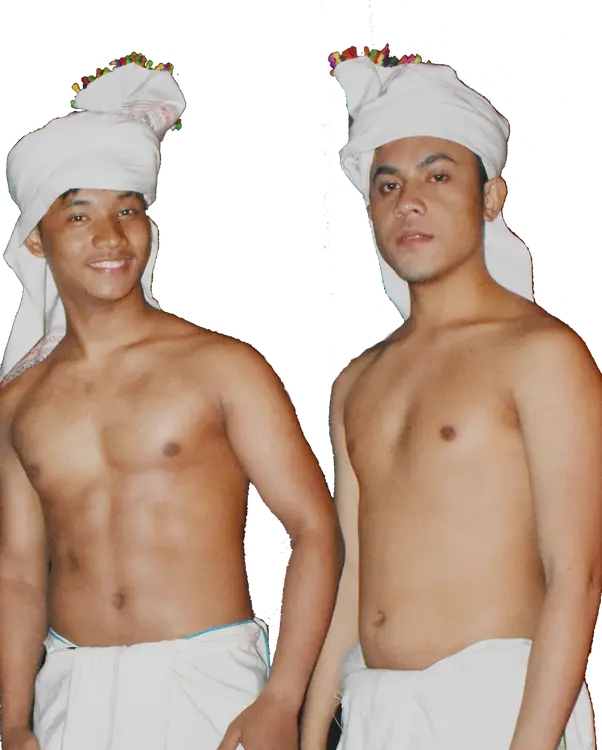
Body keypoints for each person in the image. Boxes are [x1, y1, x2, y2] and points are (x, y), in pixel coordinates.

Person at [0, 52, 342, 750]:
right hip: (73, 691)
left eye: (127, 209)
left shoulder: (220, 366)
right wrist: (11, 718)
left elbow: (313, 527)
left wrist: (283, 696)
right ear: (36, 237)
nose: (110, 236)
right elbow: (18, 572)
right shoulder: (18, 402)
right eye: (79, 215)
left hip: (207, 685)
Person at [301, 47, 601, 750]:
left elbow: (577, 576)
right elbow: (354, 576)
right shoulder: (359, 381)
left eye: (438, 175)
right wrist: (311, 731)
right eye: (388, 184)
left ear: (490, 197)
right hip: (377, 709)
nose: (409, 201)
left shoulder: (541, 353)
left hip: (494, 706)